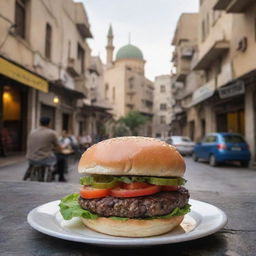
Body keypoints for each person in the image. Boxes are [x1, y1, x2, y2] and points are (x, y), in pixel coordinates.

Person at [25, 117, 67, 182]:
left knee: (54, 156)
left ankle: (52, 173)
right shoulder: (51, 133)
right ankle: (61, 177)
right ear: (49, 123)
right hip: (44, 159)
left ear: (39, 122)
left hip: (30, 159)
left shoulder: (32, 132)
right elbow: (59, 148)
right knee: (61, 158)